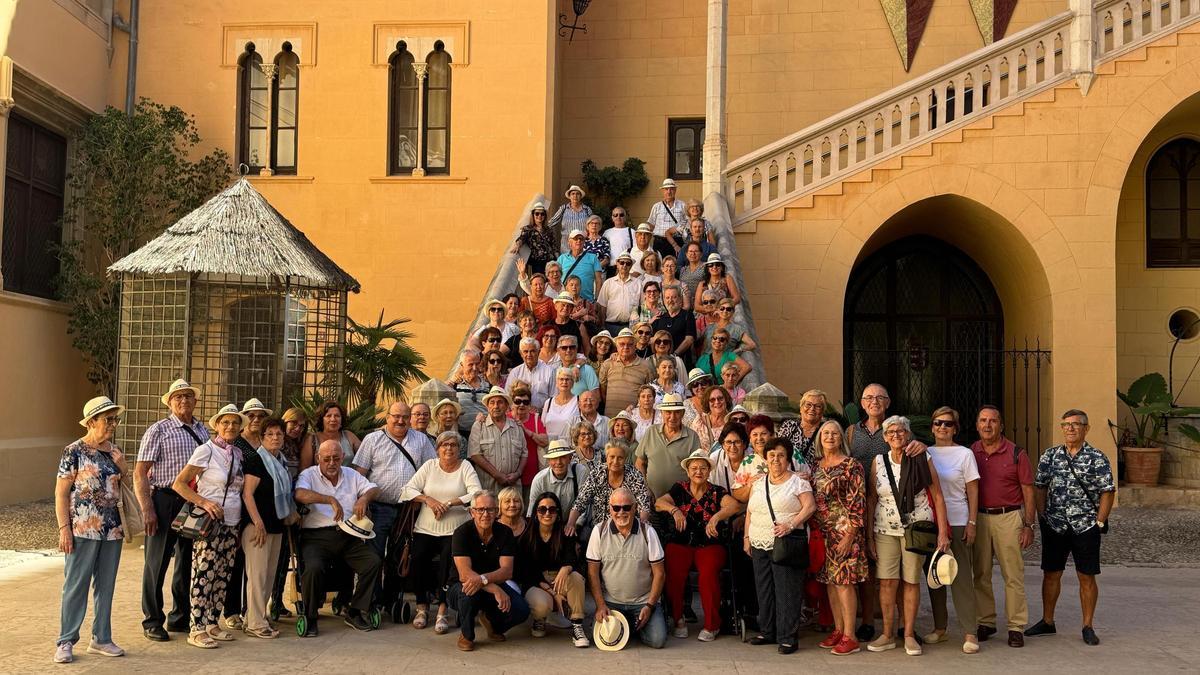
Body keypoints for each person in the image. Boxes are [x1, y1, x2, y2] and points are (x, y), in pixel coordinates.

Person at [1026, 409, 1114, 646]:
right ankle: (1047, 621)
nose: (1071, 428)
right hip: (1055, 524)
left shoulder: (1097, 458)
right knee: (1051, 573)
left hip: (1085, 526)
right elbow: (1040, 486)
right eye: (1066, 424)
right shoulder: (1050, 456)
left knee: (1086, 576)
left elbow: (1107, 491)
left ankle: (1087, 625)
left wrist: (1100, 521)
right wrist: (1043, 514)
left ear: (1086, 428)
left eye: (1076, 424)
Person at [864, 415, 950, 656]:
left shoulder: (922, 457)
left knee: (911, 581)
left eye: (901, 431)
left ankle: (909, 634)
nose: (896, 435)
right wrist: (869, 535)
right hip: (884, 530)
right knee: (888, 582)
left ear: (908, 434)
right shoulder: (878, 461)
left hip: (916, 530)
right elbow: (872, 499)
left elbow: (938, 496)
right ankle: (887, 634)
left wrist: (943, 532)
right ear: (884, 437)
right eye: (891, 432)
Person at [54, 396, 128, 664]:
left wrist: (123, 468)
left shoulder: (114, 451)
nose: (112, 424)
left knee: (105, 586)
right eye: (108, 419)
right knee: (76, 585)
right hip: (82, 528)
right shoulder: (73, 451)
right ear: (91, 422)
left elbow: (123, 487)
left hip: (112, 530)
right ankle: (66, 640)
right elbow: (61, 494)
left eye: (114, 419)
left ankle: (101, 638)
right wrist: (64, 528)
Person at [135, 379, 209, 643]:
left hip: (193, 501)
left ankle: (180, 616)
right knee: (156, 563)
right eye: (178, 397)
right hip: (165, 499)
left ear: (195, 401)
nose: (184, 401)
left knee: (188, 562)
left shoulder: (203, 430)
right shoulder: (158, 430)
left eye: (188, 396)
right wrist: (147, 509)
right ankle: (152, 620)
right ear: (169, 402)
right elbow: (140, 472)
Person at [172, 404, 247, 649]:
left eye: (235, 423)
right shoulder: (205, 451)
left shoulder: (237, 454)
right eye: (225, 422)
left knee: (222, 575)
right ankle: (197, 627)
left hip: (232, 522)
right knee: (204, 574)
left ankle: (213, 622)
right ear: (216, 426)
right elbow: (180, 484)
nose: (230, 427)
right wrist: (204, 502)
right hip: (210, 523)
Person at [293, 439, 383, 637]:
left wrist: (364, 498)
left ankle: (355, 610)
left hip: (348, 535)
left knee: (373, 562)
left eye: (336, 458)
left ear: (343, 457)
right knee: (313, 568)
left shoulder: (350, 474)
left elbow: (374, 488)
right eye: (327, 459)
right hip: (316, 536)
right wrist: (329, 499)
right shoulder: (309, 474)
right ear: (318, 458)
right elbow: (299, 494)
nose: (332, 463)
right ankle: (310, 616)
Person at [354, 401, 437, 605]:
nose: (400, 421)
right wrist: (361, 501)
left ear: (410, 419)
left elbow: (432, 472)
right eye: (396, 416)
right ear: (388, 417)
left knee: (400, 556)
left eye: (404, 417)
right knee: (374, 556)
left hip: (408, 510)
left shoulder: (421, 440)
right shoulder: (372, 440)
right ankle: (372, 600)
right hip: (379, 507)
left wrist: (423, 498)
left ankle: (392, 600)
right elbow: (359, 475)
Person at [400, 431, 481, 634]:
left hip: (456, 529)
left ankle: (442, 610)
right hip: (426, 528)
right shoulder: (429, 466)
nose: (449, 448)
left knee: (448, 563)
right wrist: (429, 500)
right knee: (418, 559)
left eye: (453, 445)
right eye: (444, 445)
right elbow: (407, 490)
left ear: (458, 448)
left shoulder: (465, 467)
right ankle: (422, 607)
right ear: (437, 449)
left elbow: (476, 493)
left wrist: (451, 502)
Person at [655, 449, 740, 642]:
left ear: (709, 471)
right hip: (682, 541)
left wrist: (716, 516)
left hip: (709, 543)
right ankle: (678, 619)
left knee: (708, 573)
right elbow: (659, 503)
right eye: (694, 468)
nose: (698, 472)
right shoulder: (679, 489)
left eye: (703, 468)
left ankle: (712, 625)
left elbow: (734, 505)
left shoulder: (717, 491)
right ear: (687, 471)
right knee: (674, 570)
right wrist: (674, 510)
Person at [971, 404, 1036, 648]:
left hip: (1009, 517)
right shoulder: (971, 452)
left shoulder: (1017, 453)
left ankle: (1016, 626)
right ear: (977, 425)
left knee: (1013, 574)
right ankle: (986, 621)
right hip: (979, 517)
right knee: (981, 573)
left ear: (1001, 425)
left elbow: (1028, 491)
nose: (988, 425)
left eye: (993, 421)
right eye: (983, 421)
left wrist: (1029, 525)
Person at [744, 438, 817, 654]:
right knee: (764, 588)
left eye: (781, 455)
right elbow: (750, 511)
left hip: (786, 542)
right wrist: (746, 538)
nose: (776, 459)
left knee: (787, 590)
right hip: (759, 542)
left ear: (788, 458)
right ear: (766, 458)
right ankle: (768, 631)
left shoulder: (798, 482)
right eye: (772, 455)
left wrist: (791, 524)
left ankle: (787, 636)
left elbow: (810, 506)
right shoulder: (758, 483)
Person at [924, 406, 981, 653]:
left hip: (957, 520)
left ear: (955, 428)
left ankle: (970, 631)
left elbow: (973, 490)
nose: (942, 428)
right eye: (938, 423)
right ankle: (940, 628)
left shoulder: (964, 454)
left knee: (960, 578)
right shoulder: (925, 453)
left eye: (947, 424)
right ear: (932, 427)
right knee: (935, 577)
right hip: (932, 522)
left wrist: (972, 522)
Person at [812, 420, 869, 656]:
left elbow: (859, 502)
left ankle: (850, 636)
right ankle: (838, 629)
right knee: (831, 584)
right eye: (826, 433)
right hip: (823, 534)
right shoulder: (815, 466)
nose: (830, 437)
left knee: (845, 584)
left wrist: (850, 535)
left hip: (846, 534)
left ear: (841, 438)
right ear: (819, 438)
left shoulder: (851, 465)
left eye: (835, 433)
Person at [586, 488, 669, 649]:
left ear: (635, 507)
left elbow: (660, 574)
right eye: (616, 508)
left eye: (626, 507)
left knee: (657, 640)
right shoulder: (599, 531)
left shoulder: (648, 532)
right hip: (612, 602)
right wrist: (601, 605)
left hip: (643, 601)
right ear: (609, 508)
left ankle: (633, 625)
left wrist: (650, 606)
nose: (621, 512)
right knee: (606, 636)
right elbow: (592, 572)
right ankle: (631, 626)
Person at [448, 491, 531, 651]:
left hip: (491, 583)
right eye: (480, 510)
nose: (485, 514)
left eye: (490, 509)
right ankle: (467, 635)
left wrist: (486, 582)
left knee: (521, 609)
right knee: (469, 591)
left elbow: (507, 571)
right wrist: (494, 588)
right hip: (461, 586)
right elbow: (465, 574)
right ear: (472, 512)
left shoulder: (505, 533)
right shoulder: (461, 533)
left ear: (497, 511)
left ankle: (493, 624)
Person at [240, 417, 298, 640]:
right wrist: (257, 522)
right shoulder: (256, 460)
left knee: (269, 576)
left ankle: (256, 617)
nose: (275, 438)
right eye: (270, 434)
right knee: (258, 576)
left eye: (279, 434)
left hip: (276, 526)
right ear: (262, 437)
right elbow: (247, 494)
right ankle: (255, 623)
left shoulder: (281, 462)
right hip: (257, 527)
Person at [848, 382, 891, 643]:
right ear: (862, 404)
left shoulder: (896, 429)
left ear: (887, 402)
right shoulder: (852, 432)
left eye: (879, 397)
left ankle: (894, 623)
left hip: (888, 507)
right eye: (868, 398)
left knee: (889, 566)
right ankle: (865, 620)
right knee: (865, 563)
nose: (874, 401)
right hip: (858, 506)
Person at [518, 491, 590, 646]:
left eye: (552, 509)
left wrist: (566, 568)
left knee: (576, 578)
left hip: (560, 578)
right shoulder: (527, 536)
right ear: (536, 513)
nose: (547, 513)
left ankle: (577, 625)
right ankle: (540, 618)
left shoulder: (565, 532)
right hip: (538, 582)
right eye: (542, 509)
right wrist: (553, 594)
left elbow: (572, 558)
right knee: (542, 606)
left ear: (558, 513)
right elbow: (527, 572)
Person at [567, 441, 654, 536]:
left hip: (628, 527)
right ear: (606, 457)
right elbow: (580, 501)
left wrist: (642, 526)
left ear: (625, 459)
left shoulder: (634, 475)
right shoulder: (597, 473)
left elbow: (644, 505)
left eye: (620, 458)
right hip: (600, 527)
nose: (615, 461)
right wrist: (571, 524)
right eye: (612, 457)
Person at [635, 393, 701, 500]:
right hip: (651, 499)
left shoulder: (692, 436)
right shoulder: (651, 432)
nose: (672, 417)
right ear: (662, 413)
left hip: (682, 500)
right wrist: (645, 489)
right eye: (668, 412)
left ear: (683, 413)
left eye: (677, 412)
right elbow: (639, 463)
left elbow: (697, 470)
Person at [468, 387, 528, 494]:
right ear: (488, 406)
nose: (496, 406)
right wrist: (497, 475)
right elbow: (475, 455)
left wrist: (518, 473)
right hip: (488, 491)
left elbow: (524, 453)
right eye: (492, 402)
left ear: (506, 406)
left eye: (500, 402)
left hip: (513, 490)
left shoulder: (517, 426)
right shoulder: (479, 426)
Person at [528, 441, 589, 524]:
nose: (558, 462)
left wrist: (575, 526)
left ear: (570, 458)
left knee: (585, 534)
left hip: (574, 524)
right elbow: (532, 510)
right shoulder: (539, 480)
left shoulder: (580, 472)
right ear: (549, 461)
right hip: (548, 524)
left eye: (563, 457)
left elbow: (585, 503)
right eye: (554, 458)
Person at [599, 328, 653, 416]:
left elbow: (650, 392)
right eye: (622, 344)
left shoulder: (646, 366)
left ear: (635, 345)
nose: (625, 347)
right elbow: (603, 390)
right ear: (616, 346)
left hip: (635, 418)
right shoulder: (607, 364)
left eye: (630, 344)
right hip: (610, 418)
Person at [709, 422, 768, 503]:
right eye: (728, 442)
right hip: (723, 508)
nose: (733, 447)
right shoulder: (715, 459)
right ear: (722, 444)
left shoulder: (754, 457)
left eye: (737, 442)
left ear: (744, 444)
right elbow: (710, 488)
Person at [509, 382, 550, 497]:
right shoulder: (506, 418)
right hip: (510, 474)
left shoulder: (536, 419)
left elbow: (545, 441)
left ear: (529, 404)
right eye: (518, 401)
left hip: (532, 473)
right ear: (512, 403)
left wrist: (526, 431)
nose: (521, 405)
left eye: (525, 402)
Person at [777, 389, 828, 475]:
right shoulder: (789, 426)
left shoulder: (825, 431)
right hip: (787, 478)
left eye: (817, 406)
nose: (812, 409)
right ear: (801, 408)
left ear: (822, 412)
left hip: (813, 480)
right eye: (808, 405)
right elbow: (777, 450)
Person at [299, 401, 361, 470]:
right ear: (321, 419)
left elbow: (364, 458)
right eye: (328, 416)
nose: (333, 419)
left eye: (337, 416)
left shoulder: (349, 436)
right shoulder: (312, 440)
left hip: (348, 479)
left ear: (341, 419)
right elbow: (304, 468)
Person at [597, 251, 643, 335]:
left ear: (631, 266)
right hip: (610, 326)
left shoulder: (638, 283)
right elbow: (602, 306)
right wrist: (603, 326)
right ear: (617, 264)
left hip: (631, 327)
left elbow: (643, 305)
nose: (624, 265)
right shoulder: (608, 283)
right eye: (622, 262)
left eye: (628, 263)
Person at [652, 286, 696, 369]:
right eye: (667, 298)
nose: (670, 300)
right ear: (664, 300)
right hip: (661, 363)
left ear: (680, 299)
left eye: (674, 297)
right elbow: (652, 339)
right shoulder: (660, 317)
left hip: (681, 362)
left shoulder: (687, 315)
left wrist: (673, 355)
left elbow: (689, 339)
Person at [448, 351, 491, 437]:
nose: (475, 368)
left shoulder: (488, 385)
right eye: (470, 365)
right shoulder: (454, 385)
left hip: (485, 433)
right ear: (462, 365)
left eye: (477, 364)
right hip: (461, 434)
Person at [556, 229, 603, 303]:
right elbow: (556, 279)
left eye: (581, 239)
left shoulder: (593, 257)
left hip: (587, 301)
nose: (578, 241)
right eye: (575, 239)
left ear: (584, 242)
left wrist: (597, 300)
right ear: (570, 242)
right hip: (566, 302)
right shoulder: (562, 258)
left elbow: (598, 280)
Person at [507, 337, 555, 410]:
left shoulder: (549, 371)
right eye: (525, 351)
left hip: (542, 415)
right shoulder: (515, 372)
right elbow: (508, 398)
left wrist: (541, 411)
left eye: (532, 351)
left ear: (538, 352)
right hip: (518, 416)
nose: (529, 355)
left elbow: (553, 398)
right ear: (521, 354)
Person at [512, 200, 557, 274]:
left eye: (542, 214)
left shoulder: (549, 230)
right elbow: (522, 238)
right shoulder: (528, 229)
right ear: (533, 215)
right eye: (537, 213)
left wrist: (558, 260)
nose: (539, 216)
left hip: (550, 262)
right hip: (537, 263)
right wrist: (517, 245)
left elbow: (554, 246)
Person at [693, 253, 741, 321]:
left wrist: (722, 308)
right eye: (711, 265)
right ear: (708, 269)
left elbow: (737, 298)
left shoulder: (727, 279)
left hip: (723, 315)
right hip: (706, 318)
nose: (714, 267)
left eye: (717, 264)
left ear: (721, 267)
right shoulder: (702, 284)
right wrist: (712, 309)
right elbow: (697, 306)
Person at [647, 178, 687, 259]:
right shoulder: (656, 206)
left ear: (675, 190)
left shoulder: (683, 205)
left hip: (677, 241)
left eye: (671, 189)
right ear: (663, 191)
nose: (669, 191)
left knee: (677, 266)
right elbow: (651, 225)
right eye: (666, 189)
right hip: (660, 242)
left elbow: (687, 222)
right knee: (659, 267)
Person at [542, 368, 581, 442]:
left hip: (570, 447)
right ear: (556, 383)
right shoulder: (548, 402)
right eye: (561, 379)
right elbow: (543, 426)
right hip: (550, 447)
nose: (564, 382)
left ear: (572, 383)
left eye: (567, 379)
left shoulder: (579, 401)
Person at [551, 185, 593, 252]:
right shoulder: (563, 208)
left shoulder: (587, 210)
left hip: (583, 246)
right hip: (566, 247)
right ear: (569, 196)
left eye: (577, 194)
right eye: (573, 194)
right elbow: (552, 222)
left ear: (580, 196)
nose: (575, 196)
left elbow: (593, 226)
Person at [691, 385, 732, 453]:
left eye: (720, 398)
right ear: (707, 403)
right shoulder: (700, 422)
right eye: (712, 400)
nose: (717, 402)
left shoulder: (734, 420)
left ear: (726, 399)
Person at [603, 206, 635, 275]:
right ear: (612, 218)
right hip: (611, 269)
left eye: (621, 215)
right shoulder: (607, 233)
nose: (618, 217)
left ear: (625, 217)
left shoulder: (632, 232)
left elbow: (635, 251)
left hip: (626, 267)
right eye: (615, 215)